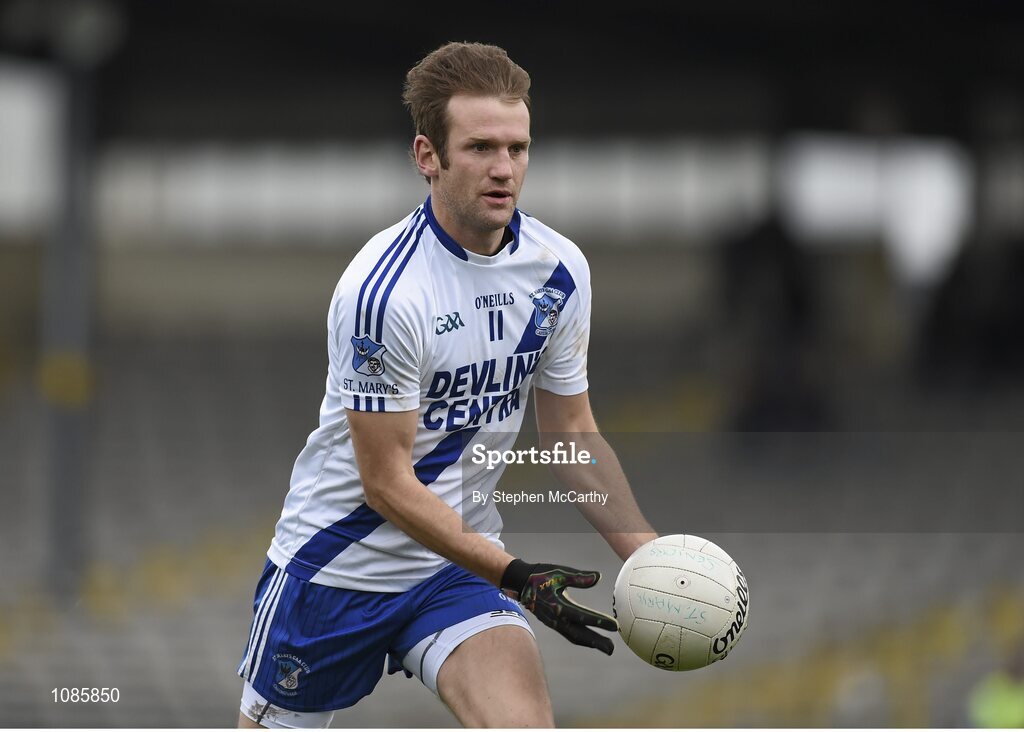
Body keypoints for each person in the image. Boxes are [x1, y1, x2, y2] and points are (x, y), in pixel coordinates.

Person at [236, 41, 657, 729]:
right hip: (338, 571)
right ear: (427, 156)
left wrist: (649, 558)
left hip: (453, 572)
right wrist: (514, 573)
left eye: (518, 148)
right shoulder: (386, 293)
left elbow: (573, 435)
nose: (504, 169)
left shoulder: (560, 272)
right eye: (481, 148)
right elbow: (387, 483)